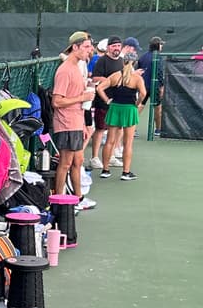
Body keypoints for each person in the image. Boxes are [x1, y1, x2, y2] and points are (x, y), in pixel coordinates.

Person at [51, 31, 96, 199]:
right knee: (65, 163)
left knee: (77, 161)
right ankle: (59, 201)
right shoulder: (65, 70)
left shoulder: (76, 68)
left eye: (90, 47)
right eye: (86, 46)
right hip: (66, 123)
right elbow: (57, 101)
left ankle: (78, 198)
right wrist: (82, 98)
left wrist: (83, 124)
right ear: (75, 47)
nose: (90, 50)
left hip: (76, 122)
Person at [96, 47, 147, 180]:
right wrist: (137, 104)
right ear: (135, 63)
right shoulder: (137, 78)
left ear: (123, 62)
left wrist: (107, 100)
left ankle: (105, 170)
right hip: (129, 109)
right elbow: (143, 94)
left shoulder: (115, 76)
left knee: (110, 141)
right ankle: (126, 172)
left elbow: (99, 88)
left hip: (115, 108)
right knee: (128, 143)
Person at [89, 36, 123, 170]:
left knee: (116, 129)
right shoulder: (102, 61)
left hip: (118, 101)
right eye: (114, 46)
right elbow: (95, 78)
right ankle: (94, 158)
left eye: (118, 46)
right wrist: (109, 80)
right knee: (100, 129)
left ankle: (111, 156)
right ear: (108, 47)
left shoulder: (121, 61)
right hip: (103, 101)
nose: (116, 48)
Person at [138, 36, 166, 136]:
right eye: (161, 44)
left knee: (139, 105)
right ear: (157, 45)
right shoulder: (158, 57)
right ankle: (158, 130)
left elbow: (138, 71)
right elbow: (160, 72)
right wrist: (161, 87)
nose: (162, 46)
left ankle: (131, 127)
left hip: (143, 85)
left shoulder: (143, 57)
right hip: (155, 87)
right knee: (158, 108)